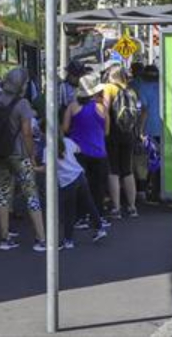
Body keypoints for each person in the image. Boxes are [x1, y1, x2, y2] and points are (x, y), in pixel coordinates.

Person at [0, 68, 47, 252]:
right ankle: (41, 238)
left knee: (4, 192)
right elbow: (27, 133)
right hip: (19, 155)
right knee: (31, 193)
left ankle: (5, 238)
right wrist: (32, 156)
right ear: (22, 85)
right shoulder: (23, 104)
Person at [34, 116, 108, 249]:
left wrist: (33, 168)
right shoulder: (68, 142)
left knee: (68, 212)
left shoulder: (48, 150)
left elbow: (47, 169)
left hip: (67, 182)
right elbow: (78, 150)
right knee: (89, 204)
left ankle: (68, 240)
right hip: (80, 176)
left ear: (45, 133)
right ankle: (99, 228)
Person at [62, 72, 110, 228]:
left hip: (78, 152)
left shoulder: (72, 106)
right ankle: (98, 216)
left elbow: (65, 128)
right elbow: (107, 131)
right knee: (99, 187)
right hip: (99, 151)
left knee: (81, 186)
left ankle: (80, 217)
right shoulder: (102, 107)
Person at [105, 65, 140, 219]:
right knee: (127, 170)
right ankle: (132, 207)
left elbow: (104, 111)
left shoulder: (109, 88)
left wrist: (104, 132)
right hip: (128, 134)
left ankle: (116, 208)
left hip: (113, 133)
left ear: (111, 76)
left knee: (113, 170)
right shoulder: (131, 91)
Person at [137, 64, 163, 202]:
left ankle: (150, 189)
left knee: (150, 160)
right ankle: (159, 190)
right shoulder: (163, 87)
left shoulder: (143, 88)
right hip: (164, 128)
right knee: (162, 161)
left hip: (150, 128)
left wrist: (140, 130)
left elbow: (144, 111)